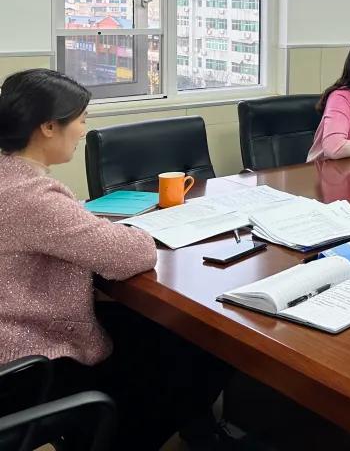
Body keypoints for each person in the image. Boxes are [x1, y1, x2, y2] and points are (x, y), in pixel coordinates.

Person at [0, 69, 233, 450]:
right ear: (48, 126)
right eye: (81, 120)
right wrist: (127, 232)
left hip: (20, 336)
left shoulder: (8, 174)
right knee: (203, 347)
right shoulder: (32, 195)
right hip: (32, 362)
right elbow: (133, 254)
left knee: (169, 334)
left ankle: (197, 429)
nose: (83, 130)